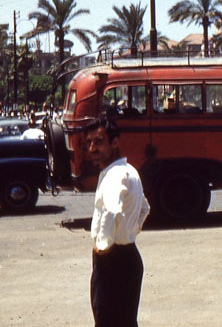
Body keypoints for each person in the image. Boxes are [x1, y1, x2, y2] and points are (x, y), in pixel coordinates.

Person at [85, 116, 150, 326]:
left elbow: (111, 211)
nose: (93, 148)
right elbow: (145, 208)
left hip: (113, 262)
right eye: (89, 143)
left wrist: (102, 247)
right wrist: (130, 231)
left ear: (115, 142)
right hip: (129, 257)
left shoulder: (114, 176)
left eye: (99, 141)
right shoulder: (130, 171)